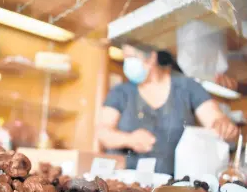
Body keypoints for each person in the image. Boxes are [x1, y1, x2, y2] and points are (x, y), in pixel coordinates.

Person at [98, 44, 239, 176]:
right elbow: (103, 132)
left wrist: (222, 124)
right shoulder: (120, 92)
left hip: (177, 184)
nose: (126, 63)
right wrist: (129, 139)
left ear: (152, 57)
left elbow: (213, 117)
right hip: (130, 184)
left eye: (131, 57)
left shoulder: (187, 87)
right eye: (125, 58)